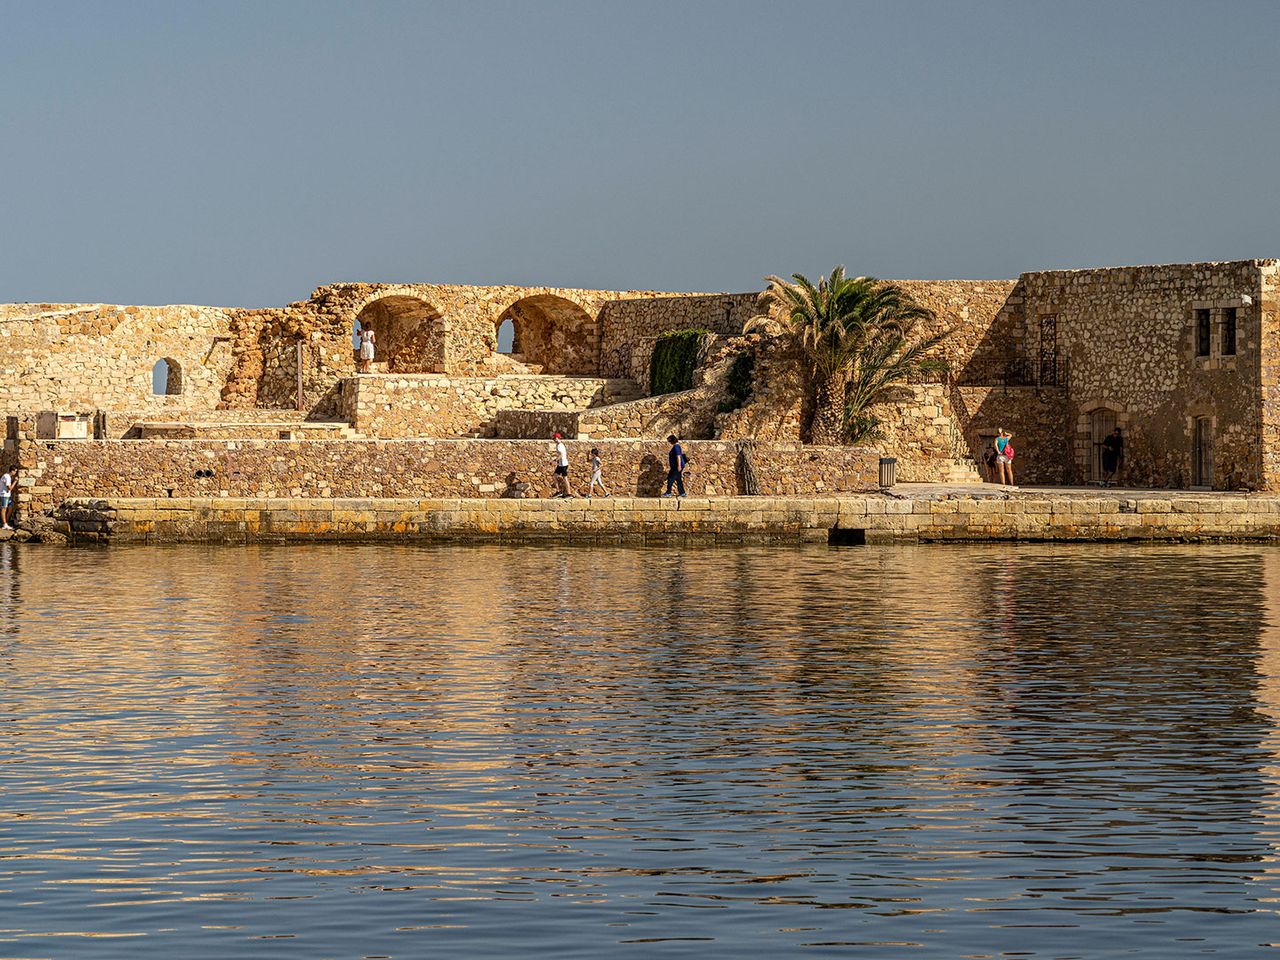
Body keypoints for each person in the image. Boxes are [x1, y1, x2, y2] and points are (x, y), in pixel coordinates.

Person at [551, 432, 576, 498]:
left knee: (565, 478)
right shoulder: (558, 445)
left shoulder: (560, 445)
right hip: (560, 464)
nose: (554, 440)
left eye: (555, 438)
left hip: (564, 465)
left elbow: (561, 455)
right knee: (554, 476)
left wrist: (555, 460)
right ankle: (558, 491)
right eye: (553, 439)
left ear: (558, 438)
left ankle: (569, 493)